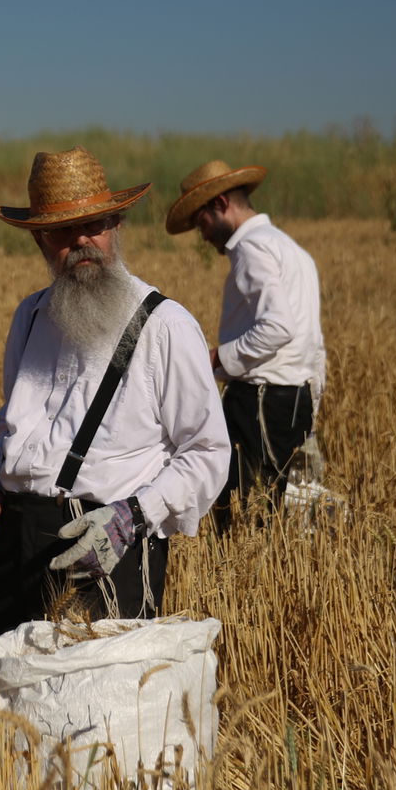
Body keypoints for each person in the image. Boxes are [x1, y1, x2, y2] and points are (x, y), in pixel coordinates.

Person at [0, 147, 230, 650]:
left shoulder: (165, 325)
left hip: (109, 542)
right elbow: (13, 427)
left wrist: (134, 516)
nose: (82, 241)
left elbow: (207, 451)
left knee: (93, 715)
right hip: (16, 540)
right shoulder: (31, 316)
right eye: (64, 231)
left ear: (117, 225)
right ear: (40, 239)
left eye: (95, 226)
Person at [165, 161, 326, 535]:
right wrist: (311, 400)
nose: (203, 236)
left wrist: (216, 358)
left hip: (260, 401)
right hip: (294, 395)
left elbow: (278, 327)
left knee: (245, 517)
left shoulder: (252, 250)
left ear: (221, 203)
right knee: (288, 509)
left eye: (201, 223)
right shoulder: (291, 249)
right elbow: (311, 342)